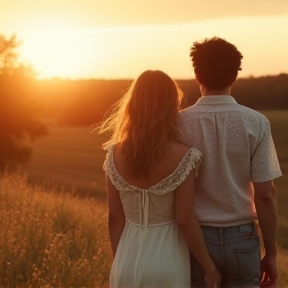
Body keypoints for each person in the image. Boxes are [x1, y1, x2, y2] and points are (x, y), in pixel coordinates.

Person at [99, 70, 220, 288]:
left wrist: (121, 261)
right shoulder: (185, 155)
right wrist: (209, 268)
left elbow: (114, 218)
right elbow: (184, 218)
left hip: (125, 261)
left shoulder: (114, 154)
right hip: (168, 260)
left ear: (133, 104)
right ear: (170, 106)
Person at [178, 37, 282, 288]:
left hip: (193, 241)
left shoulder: (178, 124)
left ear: (196, 74)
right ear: (235, 75)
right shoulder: (256, 123)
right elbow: (265, 195)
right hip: (242, 239)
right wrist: (272, 253)